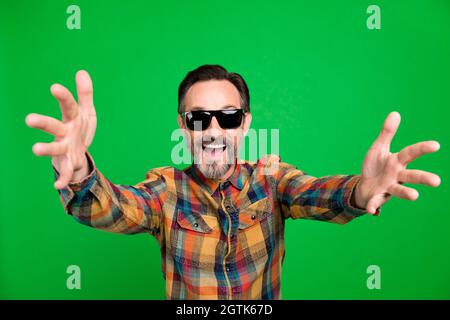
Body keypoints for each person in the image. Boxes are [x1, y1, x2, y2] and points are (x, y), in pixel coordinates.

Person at [25, 65, 441, 299]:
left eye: (227, 116)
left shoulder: (272, 180)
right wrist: (79, 173)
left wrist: (363, 191)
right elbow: (111, 207)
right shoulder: (165, 191)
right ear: (183, 127)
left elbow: (317, 194)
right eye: (198, 118)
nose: (212, 130)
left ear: (244, 125)